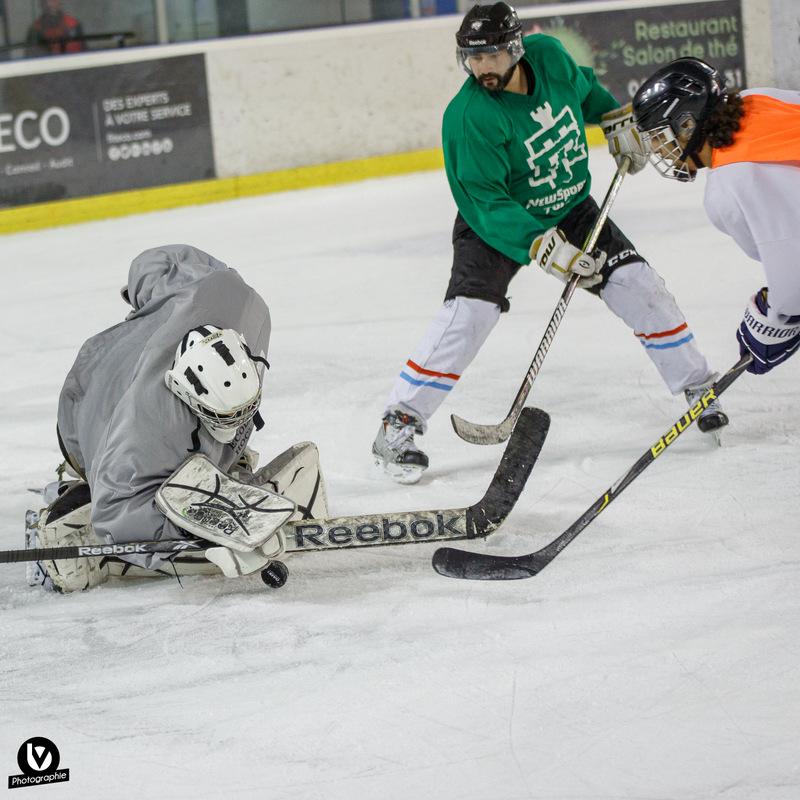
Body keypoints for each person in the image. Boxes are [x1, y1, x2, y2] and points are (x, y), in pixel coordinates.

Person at [372, 2, 727, 484]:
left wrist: (613, 119)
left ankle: (698, 386)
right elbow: (486, 200)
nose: (481, 67)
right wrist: (541, 245)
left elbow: (584, 90)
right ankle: (398, 422)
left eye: (491, 55)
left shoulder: (549, 56)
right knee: (470, 315)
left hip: (571, 207)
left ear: (516, 48)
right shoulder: (469, 116)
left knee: (640, 286)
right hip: (495, 225)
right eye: (473, 57)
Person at [26, 244, 328, 593]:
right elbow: (117, 519)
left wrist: (147, 309)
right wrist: (198, 534)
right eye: (222, 416)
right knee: (129, 498)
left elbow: (165, 266)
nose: (234, 425)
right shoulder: (141, 434)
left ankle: (214, 461)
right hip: (82, 417)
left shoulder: (243, 307)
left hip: (118, 369)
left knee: (214, 442)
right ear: (185, 393)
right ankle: (75, 505)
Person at [632, 58, 800, 375]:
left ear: (687, 125)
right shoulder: (754, 99)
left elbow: (796, 286)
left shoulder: (730, 185)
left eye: (658, 136)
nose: (657, 149)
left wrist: (774, 319)